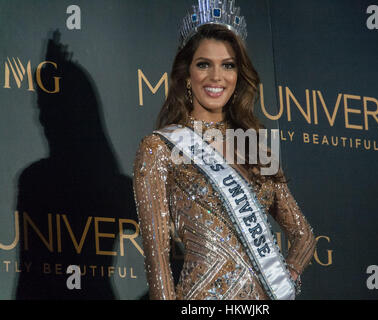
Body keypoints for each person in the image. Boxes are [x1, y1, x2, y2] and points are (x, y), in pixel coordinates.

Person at [133, 0, 315, 300]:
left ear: (237, 74)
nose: (216, 77)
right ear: (187, 74)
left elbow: (303, 235)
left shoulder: (255, 147)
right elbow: (158, 263)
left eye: (228, 65)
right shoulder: (159, 148)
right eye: (204, 64)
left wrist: (287, 277)